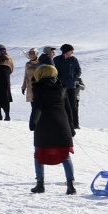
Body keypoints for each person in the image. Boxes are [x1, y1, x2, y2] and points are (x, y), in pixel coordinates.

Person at [28, 64, 75, 194]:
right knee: (65, 155)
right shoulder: (61, 87)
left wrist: (33, 122)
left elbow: (37, 107)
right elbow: (68, 109)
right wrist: (71, 128)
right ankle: (71, 185)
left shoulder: (38, 87)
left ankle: (40, 184)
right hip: (62, 123)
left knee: (39, 153)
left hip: (44, 124)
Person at [55, 43, 82, 130]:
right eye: (71, 51)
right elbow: (54, 72)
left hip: (71, 86)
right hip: (60, 87)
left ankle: (75, 124)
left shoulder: (74, 59)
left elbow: (78, 70)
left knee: (73, 105)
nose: (72, 52)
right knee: (62, 105)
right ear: (66, 51)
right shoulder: (56, 60)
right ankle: (64, 123)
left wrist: (74, 78)